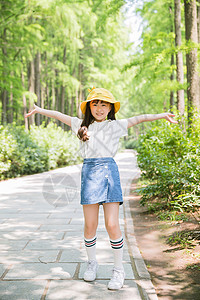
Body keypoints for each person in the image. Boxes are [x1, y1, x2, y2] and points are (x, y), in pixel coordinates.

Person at [25, 87, 177, 290]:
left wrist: (162, 115)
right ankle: (92, 263)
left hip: (109, 174)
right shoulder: (80, 125)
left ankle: (118, 270)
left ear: (110, 108)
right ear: (89, 107)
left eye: (103, 104)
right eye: (95, 104)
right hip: (89, 174)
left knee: (112, 224)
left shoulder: (115, 126)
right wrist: (39, 110)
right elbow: (59, 115)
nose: (99, 108)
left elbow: (140, 118)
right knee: (90, 225)